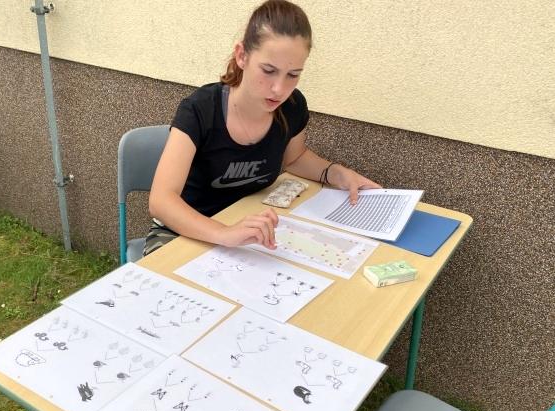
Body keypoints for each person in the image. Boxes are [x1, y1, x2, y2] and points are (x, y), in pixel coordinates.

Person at [145, 0, 380, 256]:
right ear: (242, 55)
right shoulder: (200, 110)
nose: (279, 89)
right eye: (269, 70)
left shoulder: (292, 106)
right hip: (184, 231)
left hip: (246, 226)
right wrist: (224, 233)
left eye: (293, 74)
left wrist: (338, 174)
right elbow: (161, 201)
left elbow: (295, 158)